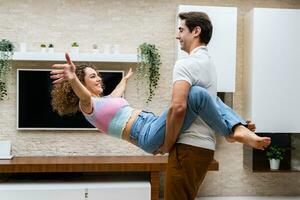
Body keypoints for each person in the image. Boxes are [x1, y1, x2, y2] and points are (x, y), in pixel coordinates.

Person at [50, 53, 270, 156]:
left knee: (208, 96)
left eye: (98, 75)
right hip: (145, 133)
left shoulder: (106, 102)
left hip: (151, 124)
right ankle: (230, 132)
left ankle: (235, 126)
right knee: (195, 93)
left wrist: (125, 79)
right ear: (81, 83)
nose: (98, 79)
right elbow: (84, 96)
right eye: (92, 77)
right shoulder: (88, 106)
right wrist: (72, 78)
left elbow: (118, 92)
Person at [160, 12, 271, 200]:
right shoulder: (209, 65)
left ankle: (234, 130)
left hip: (187, 147)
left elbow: (178, 107)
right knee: (214, 101)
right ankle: (237, 128)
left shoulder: (185, 64)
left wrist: (167, 144)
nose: (177, 36)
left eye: (181, 30)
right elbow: (212, 106)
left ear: (196, 31)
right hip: (205, 149)